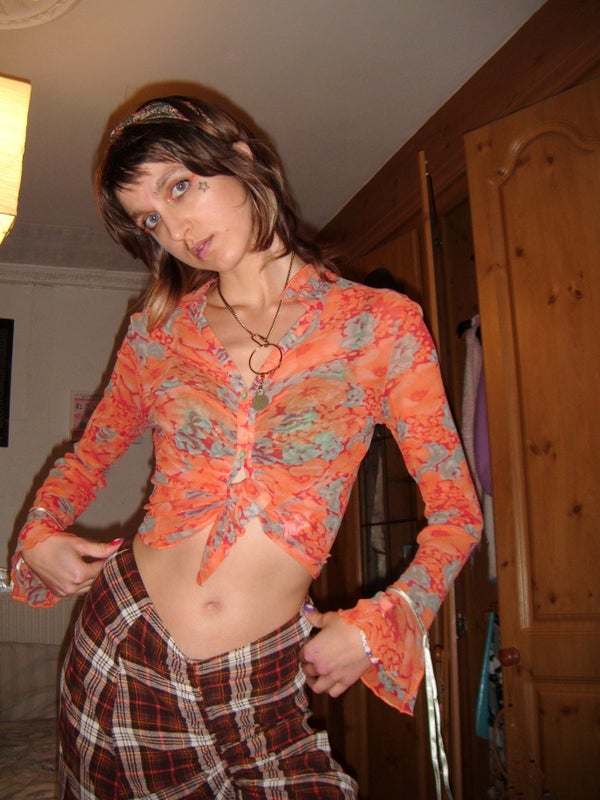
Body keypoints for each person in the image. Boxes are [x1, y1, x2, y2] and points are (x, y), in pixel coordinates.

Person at [11, 96, 482, 799]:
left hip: (261, 675)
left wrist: (386, 620)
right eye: (150, 219)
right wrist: (38, 530)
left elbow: (458, 514)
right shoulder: (158, 332)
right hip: (122, 640)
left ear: (240, 156)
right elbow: (88, 456)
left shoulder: (380, 327)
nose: (175, 229)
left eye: (180, 187)